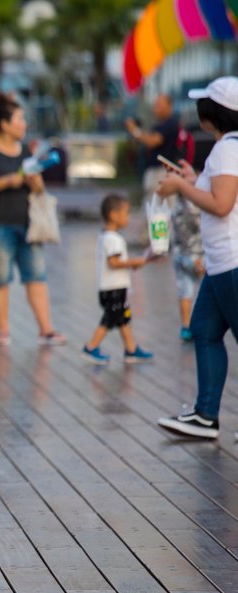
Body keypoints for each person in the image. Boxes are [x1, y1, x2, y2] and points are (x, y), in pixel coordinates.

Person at [155, 76, 238, 440]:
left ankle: (206, 413)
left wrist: (180, 187)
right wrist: (192, 178)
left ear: (215, 112)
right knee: (203, 329)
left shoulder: (226, 150)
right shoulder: (229, 148)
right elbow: (218, 190)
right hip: (222, 262)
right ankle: (205, 415)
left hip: (231, 261)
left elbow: (222, 205)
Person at [0, 93, 67, 347]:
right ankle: (3, 331)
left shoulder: (25, 151)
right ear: (4, 124)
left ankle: (46, 330)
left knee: (36, 276)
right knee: (0, 279)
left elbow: (38, 189)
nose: (24, 124)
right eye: (19, 119)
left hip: (28, 225)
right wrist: (8, 181)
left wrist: (35, 182)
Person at [80, 194, 155, 365]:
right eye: (126, 213)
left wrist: (134, 263)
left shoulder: (106, 235)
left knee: (123, 317)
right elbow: (114, 262)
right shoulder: (112, 238)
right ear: (114, 215)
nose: (128, 217)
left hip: (115, 287)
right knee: (110, 318)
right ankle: (91, 347)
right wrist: (133, 262)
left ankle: (130, 349)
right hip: (112, 288)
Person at [126, 93, 180, 196]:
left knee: (157, 208)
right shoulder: (161, 124)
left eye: (159, 104)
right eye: (155, 104)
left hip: (160, 173)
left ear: (169, 106)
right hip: (158, 172)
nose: (155, 107)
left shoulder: (170, 124)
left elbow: (152, 141)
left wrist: (134, 130)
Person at [171, 196, 204, 341]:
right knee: (207, 290)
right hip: (196, 255)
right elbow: (196, 230)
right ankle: (203, 325)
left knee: (185, 291)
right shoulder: (193, 205)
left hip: (180, 254)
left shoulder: (177, 205)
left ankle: (186, 326)